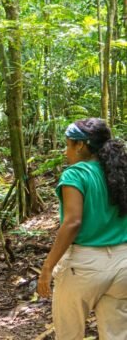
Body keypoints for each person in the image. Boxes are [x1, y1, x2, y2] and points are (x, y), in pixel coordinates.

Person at [38, 118, 127, 339]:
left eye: (68, 144)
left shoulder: (75, 174)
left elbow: (72, 222)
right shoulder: (120, 172)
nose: (65, 151)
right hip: (122, 263)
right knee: (116, 334)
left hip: (85, 266)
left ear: (80, 145)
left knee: (69, 333)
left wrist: (48, 268)